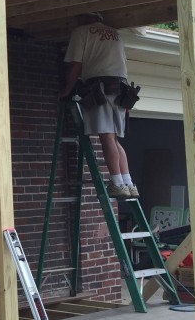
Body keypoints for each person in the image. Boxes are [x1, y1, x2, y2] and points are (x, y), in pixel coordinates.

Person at [58, 12, 138, 198]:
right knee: (115, 139)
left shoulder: (82, 31)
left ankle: (117, 184)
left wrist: (67, 90)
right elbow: (123, 65)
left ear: (84, 17)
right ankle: (128, 183)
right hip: (120, 88)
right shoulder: (115, 34)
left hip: (100, 87)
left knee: (106, 137)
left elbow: (76, 65)